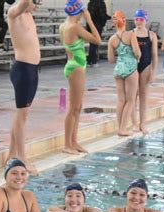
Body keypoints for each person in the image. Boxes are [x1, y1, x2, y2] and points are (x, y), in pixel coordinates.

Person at [60, 0, 101, 154]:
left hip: (73, 64)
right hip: (76, 67)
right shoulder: (74, 27)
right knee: (73, 108)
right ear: (78, 12)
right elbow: (97, 40)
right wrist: (90, 20)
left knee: (78, 107)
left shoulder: (64, 26)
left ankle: (74, 142)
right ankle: (67, 145)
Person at [6, 0, 42, 175]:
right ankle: (22, 159)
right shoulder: (15, 12)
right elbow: (24, 3)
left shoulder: (28, 15)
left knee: (21, 114)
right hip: (23, 70)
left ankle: (12, 153)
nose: (37, 4)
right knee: (22, 116)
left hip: (32, 69)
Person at [108, 10, 141, 136]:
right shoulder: (131, 34)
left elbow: (111, 59)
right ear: (124, 21)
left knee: (121, 100)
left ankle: (119, 128)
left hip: (118, 69)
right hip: (131, 68)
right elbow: (138, 52)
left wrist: (121, 56)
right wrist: (136, 57)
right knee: (130, 100)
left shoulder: (111, 39)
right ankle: (123, 129)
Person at [131, 8, 158, 136]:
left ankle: (143, 123)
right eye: (136, 19)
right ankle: (134, 124)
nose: (139, 21)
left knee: (143, 96)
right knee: (132, 96)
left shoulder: (151, 35)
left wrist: (153, 72)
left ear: (145, 20)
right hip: (133, 67)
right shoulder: (130, 34)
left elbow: (154, 55)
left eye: (141, 19)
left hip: (146, 66)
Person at [44, 183, 108, 212]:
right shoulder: (56, 208)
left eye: (78, 196)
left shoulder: (89, 210)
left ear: (84, 200)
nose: (73, 200)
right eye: (69, 196)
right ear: (64, 199)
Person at [86, 0, 110, 67]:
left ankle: (90, 61)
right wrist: (108, 18)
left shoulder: (90, 2)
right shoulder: (101, 2)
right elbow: (102, 15)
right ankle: (93, 61)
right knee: (95, 43)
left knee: (92, 43)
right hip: (97, 25)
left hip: (90, 25)